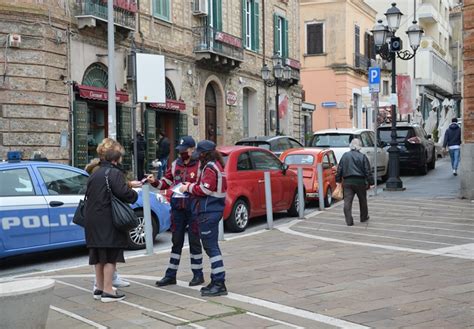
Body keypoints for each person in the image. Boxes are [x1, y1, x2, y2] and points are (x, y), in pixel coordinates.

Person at [85, 138, 143, 290]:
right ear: (116, 159)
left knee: (98, 257)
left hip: (92, 219)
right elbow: (123, 193)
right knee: (111, 257)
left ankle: (99, 288)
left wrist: (127, 184)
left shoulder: (94, 173)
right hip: (107, 219)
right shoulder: (114, 173)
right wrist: (134, 194)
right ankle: (108, 290)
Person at [147, 136, 204, 287]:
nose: (181, 153)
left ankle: (198, 274)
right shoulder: (174, 165)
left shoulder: (199, 165)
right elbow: (166, 182)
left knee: (194, 241)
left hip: (193, 207)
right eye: (180, 151)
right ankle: (171, 275)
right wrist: (155, 182)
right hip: (178, 208)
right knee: (176, 241)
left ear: (192, 150)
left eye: (184, 150)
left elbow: (203, 187)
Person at [180, 140, 227, 297]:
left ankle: (219, 283)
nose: (197, 155)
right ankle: (216, 280)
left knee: (211, 248)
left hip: (209, 211)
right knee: (211, 247)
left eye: (199, 153)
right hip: (212, 210)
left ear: (204, 154)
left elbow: (205, 190)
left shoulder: (210, 168)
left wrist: (188, 187)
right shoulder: (215, 165)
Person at [336, 138, 372, 226]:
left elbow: (339, 169)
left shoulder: (345, 156)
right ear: (359, 147)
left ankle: (349, 221)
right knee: (363, 200)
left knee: (347, 202)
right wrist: (371, 182)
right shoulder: (362, 156)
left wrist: (338, 180)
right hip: (360, 182)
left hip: (348, 181)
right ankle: (363, 217)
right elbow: (367, 170)